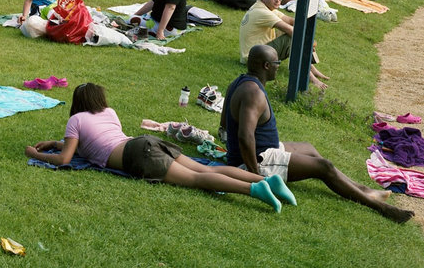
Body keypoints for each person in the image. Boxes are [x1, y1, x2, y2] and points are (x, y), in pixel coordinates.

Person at [25, 82, 289, 212]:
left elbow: (65, 159)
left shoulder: (76, 120)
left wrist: (36, 154)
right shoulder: (109, 112)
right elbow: (91, 144)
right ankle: (265, 180)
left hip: (138, 154)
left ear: (77, 102)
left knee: (197, 179)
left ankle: (254, 190)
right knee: (205, 169)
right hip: (146, 142)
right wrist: (55, 143)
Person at [222, 45, 413, 222]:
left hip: (263, 150)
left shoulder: (239, 82)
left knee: (309, 148)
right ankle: (381, 208)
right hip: (258, 160)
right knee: (324, 167)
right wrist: (256, 177)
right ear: (266, 66)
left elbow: (224, 125)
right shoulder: (254, 93)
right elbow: (245, 137)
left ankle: (362, 189)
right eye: (277, 63)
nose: (278, 67)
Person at [238, 0, 328, 90]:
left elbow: (289, 21)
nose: (277, 1)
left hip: (255, 54)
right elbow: (290, 30)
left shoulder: (265, 8)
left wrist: (307, 21)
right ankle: (311, 77)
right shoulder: (262, 12)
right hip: (253, 59)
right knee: (292, 38)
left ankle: (311, 69)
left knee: (292, 35)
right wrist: (308, 43)